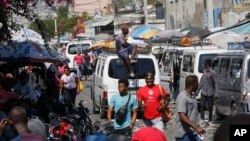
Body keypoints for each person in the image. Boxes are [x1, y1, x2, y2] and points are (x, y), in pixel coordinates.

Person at [174, 75, 205, 141]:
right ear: (193, 84)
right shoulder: (183, 97)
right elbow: (182, 116)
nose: (198, 86)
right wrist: (196, 127)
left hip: (192, 131)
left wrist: (197, 125)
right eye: (197, 83)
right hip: (183, 133)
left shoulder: (192, 96)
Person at [197, 59, 218, 123]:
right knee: (202, 105)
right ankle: (202, 118)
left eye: (205, 64)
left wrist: (216, 93)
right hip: (203, 92)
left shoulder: (213, 72)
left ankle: (210, 119)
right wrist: (198, 90)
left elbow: (216, 83)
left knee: (210, 106)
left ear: (208, 64)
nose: (204, 65)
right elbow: (201, 81)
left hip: (210, 92)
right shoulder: (204, 71)